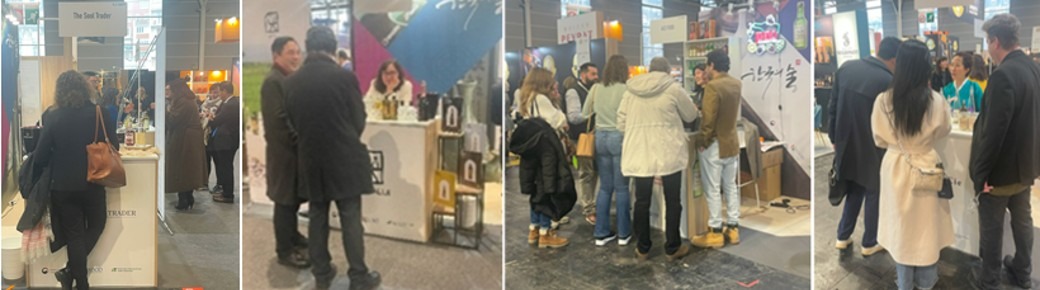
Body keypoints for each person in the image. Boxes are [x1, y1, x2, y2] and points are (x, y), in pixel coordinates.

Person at [284, 26, 381, 290]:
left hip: (311, 160)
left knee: (317, 217)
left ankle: (322, 275)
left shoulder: (291, 82)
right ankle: (359, 277)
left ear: (307, 46)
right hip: (344, 158)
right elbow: (358, 120)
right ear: (331, 47)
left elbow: (292, 122)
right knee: (350, 218)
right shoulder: (344, 78)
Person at [870, 39, 954, 290]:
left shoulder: (884, 101)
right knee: (927, 229)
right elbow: (944, 130)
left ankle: (904, 284)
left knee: (902, 229)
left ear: (901, 64)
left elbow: (878, 137)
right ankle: (927, 283)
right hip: (927, 166)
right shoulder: (937, 101)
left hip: (896, 165)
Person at [971, 13, 1040, 290]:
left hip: (999, 175)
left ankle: (989, 281)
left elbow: (992, 134)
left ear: (995, 41)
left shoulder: (1002, 76)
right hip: (1026, 169)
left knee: (992, 228)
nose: (988, 48)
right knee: (1023, 222)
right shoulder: (1035, 69)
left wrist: (980, 175)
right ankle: (1023, 272)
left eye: (988, 42)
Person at [34, 70, 117, 290]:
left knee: (74, 234)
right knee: (97, 224)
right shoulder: (100, 112)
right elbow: (114, 146)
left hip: (62, 185)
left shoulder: (53, 116)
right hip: (94, 180)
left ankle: (78, 280)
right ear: (85, 87)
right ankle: (73, 275)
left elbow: (40, 155)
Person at [827, 37, 902, 256]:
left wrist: (834, 137)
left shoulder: (847, 67)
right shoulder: (888, 80)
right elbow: (891, 120)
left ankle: (843, 236)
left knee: (853, 187)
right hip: (873, 144)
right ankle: (869, 241)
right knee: (873, 190)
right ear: (895, 59)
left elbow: (832, 105)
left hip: (845, 140)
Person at [621, 57, 698, 260]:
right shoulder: (674, 89)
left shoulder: (630, 91)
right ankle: (673, 247)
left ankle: (643, 248)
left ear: (649, 70)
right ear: (667, 71)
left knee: (641, 201)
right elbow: (690, 115)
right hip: (668, 150)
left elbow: (621, 122)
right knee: (673, 200)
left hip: (640, 151)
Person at [510, 67, 575, 249]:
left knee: (536, 191)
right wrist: (559, 109)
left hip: (531, 152)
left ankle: (534, 229)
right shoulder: (541, 99)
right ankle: (545, 234)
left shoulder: (526, 98)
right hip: (547, 151)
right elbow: (559, 121)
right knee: (547, 189)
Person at [261, 36, 310, 268]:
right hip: (284, 155)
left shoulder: (288, 79)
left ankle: (293, 236)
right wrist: (301, 139)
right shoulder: (273, 82)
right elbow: (278, 121)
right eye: (290, 52)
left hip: (293, 153)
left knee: (292, 201)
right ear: (276, 56)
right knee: (284, 202)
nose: (296, 57)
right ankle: (284, 250)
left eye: (298, 52)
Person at [690, 50, 741, 250]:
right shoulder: (736, 84)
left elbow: (708, 119)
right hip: (731, 142)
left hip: (714, 145)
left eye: (707, 66)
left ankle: (715, 232)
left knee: (712, 188)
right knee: (730, 187)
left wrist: (702, 140)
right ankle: (733, 228)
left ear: (711, 65)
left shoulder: (713, 87)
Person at [583, 55, 631, 246]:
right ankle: (623, 234)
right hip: (619, 137)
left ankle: (601, 233)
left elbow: (585, 113)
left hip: (600, 138)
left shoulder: (596, 88)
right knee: (621, 188)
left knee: (604, 188)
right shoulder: (626, 89)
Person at [562, 62, 598, 224]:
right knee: (586, 173)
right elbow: (574, 117)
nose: (596, 77)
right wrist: (595, 110)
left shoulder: (593, 89)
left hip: (595, 136)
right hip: (582, 139)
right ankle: (588, 209)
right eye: (593, 74)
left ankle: (592, 203)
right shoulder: (573, 92)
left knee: (594, 172)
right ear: (583, 74)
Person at [165, 78, 208, 210]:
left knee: (181, 168)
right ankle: (187, 196)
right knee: (189, 168)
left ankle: (184, 199)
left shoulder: (182, 102)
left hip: (184, 139)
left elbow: (173, 120)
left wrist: (164, 110)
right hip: (190, 139)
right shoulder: (188, 100)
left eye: (169, 90)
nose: (167, 92)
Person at [208, 81, 239, 204]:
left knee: (226, 167)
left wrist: (211, 118)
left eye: (220, 91)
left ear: (225, 91)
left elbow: (217, 120)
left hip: (227, 141)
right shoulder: (229, 103)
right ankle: (225, 191)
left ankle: (227, 194)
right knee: (225, 166)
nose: (219, 94)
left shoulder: (230, 105)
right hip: (227, 140)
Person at [201, 83, 224, 192]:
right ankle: (204, 183)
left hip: (216, 135)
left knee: (218, 162)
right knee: (205, 161)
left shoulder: (222, 104)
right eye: (213, 92)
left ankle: (220, 184)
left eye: (217, 92)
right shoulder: (205, 104)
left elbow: (217, 119)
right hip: (205, 136)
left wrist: (210, 118)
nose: (214, 94)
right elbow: (203, 116)